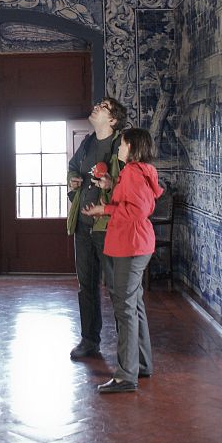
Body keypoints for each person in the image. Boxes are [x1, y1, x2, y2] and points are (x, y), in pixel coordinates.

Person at [82, 127, 163, 393]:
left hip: (131, 244)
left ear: (133, 147)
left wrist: (103, 208)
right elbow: (134, 197)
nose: (119, 148)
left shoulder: (132, 171)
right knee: (134, 304)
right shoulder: (139, 172)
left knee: (125, 308)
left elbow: (136, 210)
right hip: (136, 243)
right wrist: (111, 186)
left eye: (123, 144)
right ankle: (141, 364)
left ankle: (126, 376)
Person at [66, 96, 127, 360]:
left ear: (112, 120)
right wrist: (73, 181)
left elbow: (130, 184)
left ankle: (127, 349)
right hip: (83, 224)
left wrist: (110, 184)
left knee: (116, 288)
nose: (97, 107)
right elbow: (72, 167)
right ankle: (89, 340)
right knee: (86, 286)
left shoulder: (121, 145)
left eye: (104, 107)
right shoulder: (88, 142)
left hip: (108, 226)